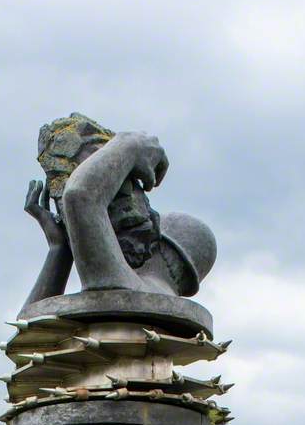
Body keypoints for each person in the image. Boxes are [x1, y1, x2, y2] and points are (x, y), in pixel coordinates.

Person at [21, 114, 216, 314]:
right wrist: (60, 248)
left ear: (165, 250)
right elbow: (29, 331)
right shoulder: (146, 295)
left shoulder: (130, 288)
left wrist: (130, 144)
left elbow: (80, 195)